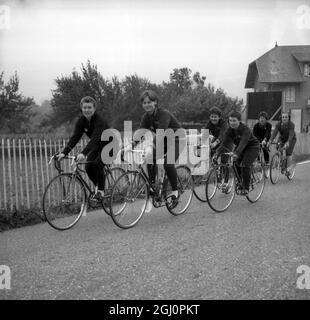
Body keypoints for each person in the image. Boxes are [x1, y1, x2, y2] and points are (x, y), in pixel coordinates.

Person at [127, 89, 185, 212]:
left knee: (168, 164)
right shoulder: (146, 117)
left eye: (149, 102)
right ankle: (153, 186)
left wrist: (150, 146)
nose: (147, 105)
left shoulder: (164, 114)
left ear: (156, 102)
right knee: (149, 158)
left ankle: (175, 192)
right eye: (144, 103)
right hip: (164, 140)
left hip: (177, 139)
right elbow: (141, 133)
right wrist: (130, 145)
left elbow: (161, 132)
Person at [57, 96, 110, 198]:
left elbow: (95, 138)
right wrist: (64, 152)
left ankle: (101, 191)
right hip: (98, 145)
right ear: (81, 108)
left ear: (94, 108)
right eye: (85, 107)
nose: (87, 110)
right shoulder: (81, 121)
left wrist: (83, 153)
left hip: (110, 145)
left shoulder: (99, 121)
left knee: (98, 164)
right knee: (88, 166)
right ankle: (98, 187)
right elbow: (75, 138)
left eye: (89, 107)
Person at [219, 110, 260, 195]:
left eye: (234, 121)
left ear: (239, 121)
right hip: (241, 148)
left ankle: (246, 187)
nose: (232, 123)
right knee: (235, 163)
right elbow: (224, 144)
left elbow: (243, 142)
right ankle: (241, 181)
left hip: (252, 147)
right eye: (230, 120)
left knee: (245, 165)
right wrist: (217, 154)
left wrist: (236, 153)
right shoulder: (229, 131)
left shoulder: (246, 130)